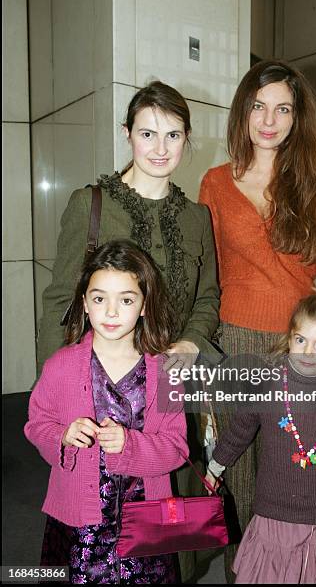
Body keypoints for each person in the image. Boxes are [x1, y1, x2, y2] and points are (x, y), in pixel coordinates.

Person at [36, 81, 220, 581]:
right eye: (147, 133)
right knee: (91, 518)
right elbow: (60, 299)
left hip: (166, 386)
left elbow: (208, 298)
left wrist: (188, 343)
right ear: (127, 135)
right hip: (96, 380)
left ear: (187, 139)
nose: (161, 149)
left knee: (167, 512)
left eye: (174, 135)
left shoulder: (198, 217)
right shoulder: (90, 204)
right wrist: (58, 393)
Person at [198, 59, 316, 582]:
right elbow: (208, 277)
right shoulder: (215, 184)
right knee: (238, 481)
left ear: (298, 118)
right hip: (233, 347)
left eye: (283, 108)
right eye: (258, 106)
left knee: (296, 482)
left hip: (300, 350)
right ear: (242, 111)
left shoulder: (314, 184)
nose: (269, 120)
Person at [25, 240, 189, 584]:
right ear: (85, 303)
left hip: (145, 524)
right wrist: (62, 436)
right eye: (100, 299)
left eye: (126, 300)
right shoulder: (60, 366)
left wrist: (131, 445)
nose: (111, 312)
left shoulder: (165, 373)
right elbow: (37, 424)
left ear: (145, 305)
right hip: (80, 525)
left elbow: (177, 448)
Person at [206, 292, 316, 584]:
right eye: (301, 340)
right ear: (290, 339)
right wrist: (216, 466)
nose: (307, 352)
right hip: (273, 511)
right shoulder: (268, 385)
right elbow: (240, 430)